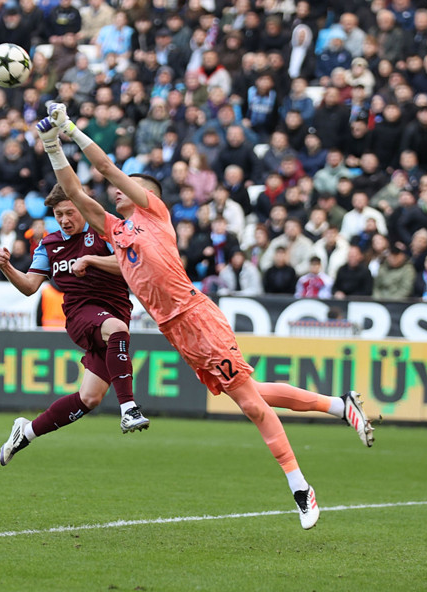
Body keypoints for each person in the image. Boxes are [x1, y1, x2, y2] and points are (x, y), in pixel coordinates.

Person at [33, 103, 375, 530]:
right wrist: (51, 144)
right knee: (250, 392)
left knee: (250, 405)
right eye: (119, 189)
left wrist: (70, 128)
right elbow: (75, 190)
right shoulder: (113, 233)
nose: (117, 191)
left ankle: (300, 487)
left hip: (196, 316)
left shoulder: (153, 214)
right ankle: (338, 405)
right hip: (175, 330)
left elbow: (103, 167)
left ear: (144, 193)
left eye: (128, 186)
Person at [0, 184, 150, 465]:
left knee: (89, 398)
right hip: (81, 314)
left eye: (70, 212)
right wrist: (7, 267)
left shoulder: (104, 231)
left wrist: (90, 259)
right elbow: (30, 286)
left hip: (115, 312)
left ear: (83, 207)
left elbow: (129, 264)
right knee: (117, 330)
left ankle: (26, 432)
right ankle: (129, 409)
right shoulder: (49, 244)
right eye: (59, 214)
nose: (65, 219)